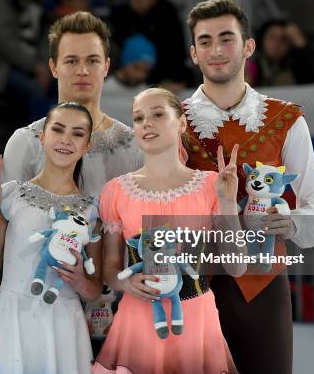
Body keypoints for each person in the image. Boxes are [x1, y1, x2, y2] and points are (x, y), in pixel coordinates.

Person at [183, 0, 314, 373]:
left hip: (262, 283)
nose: (216, 50)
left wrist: (295, 223)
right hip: (188, 282)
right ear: (193, 53)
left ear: (249, 46)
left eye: (226, 38)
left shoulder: (286, 119)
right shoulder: (170, 120)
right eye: (205, 41)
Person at [93, 87, 243, 374]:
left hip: (197, 320)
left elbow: (237, 268)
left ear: (182, 122)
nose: (146, 123)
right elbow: (110, 268)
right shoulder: (115, 191)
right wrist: (124, 283)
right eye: (138, 118)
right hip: (138, 320)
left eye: (158, 114)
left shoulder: (212, 185)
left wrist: (226, 204)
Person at [0, 102, 101, 373]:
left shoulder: (92, 210)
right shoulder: (10, 195)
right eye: (57, 129)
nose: (66, 139)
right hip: (12, 318)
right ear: (42, 137)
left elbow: (94, 289)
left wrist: (79, 280)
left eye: (77, 134)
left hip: (64, 323)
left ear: (87, 146)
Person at [2, 11, 142, 199]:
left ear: (106, 67)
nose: (82, 70)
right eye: (71, 61)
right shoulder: (25, 142)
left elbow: (149, 222)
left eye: (92, 61)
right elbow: (6, 221)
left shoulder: (134, 146)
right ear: (53, 67)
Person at [108, 0, 194, 90]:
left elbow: (175, 53)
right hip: (125, 75)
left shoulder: (167, 13)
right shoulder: (119, 14)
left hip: (160, 76)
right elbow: (114, 49)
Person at [246, 19, 314, 87]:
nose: (277, 43)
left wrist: (301, 43)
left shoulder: (298, 68)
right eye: (272, 37)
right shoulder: (251, 69)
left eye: (283, 39)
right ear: (262, 41)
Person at [101, 34, 156, 126]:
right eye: (136, 68)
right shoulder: (102, 89)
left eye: (145, 71)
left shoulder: (148, 95)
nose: (140, 75)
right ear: (125, 62)